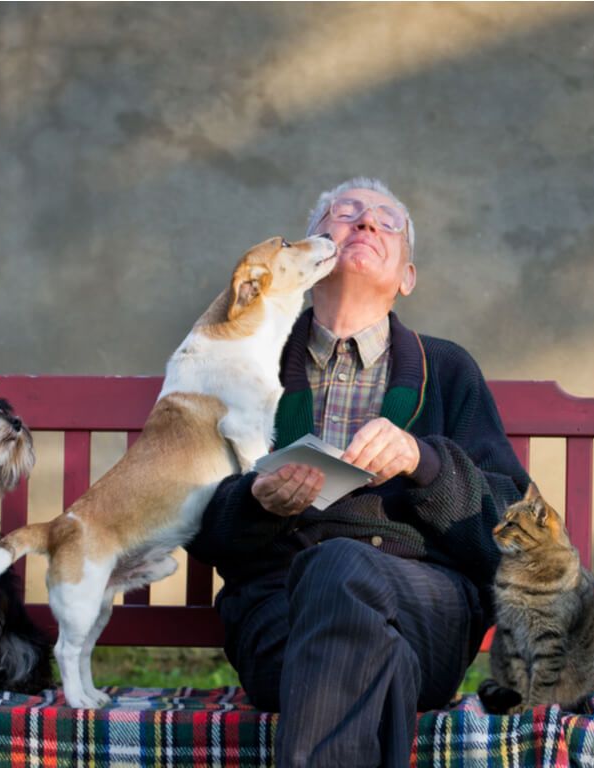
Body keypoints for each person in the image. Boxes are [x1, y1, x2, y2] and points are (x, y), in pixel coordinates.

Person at [187, 177, 530, 768]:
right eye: (344, 214)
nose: (366, 223)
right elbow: (195, 521)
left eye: (386, 221)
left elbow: (517, 538)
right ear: (310, 254)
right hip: (280, 618)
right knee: (378, 656)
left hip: (426, 610)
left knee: (341, 567)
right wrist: (257, 502)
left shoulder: (447, 370)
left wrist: (426, 462)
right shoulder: (242, 366)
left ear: (407, 278)